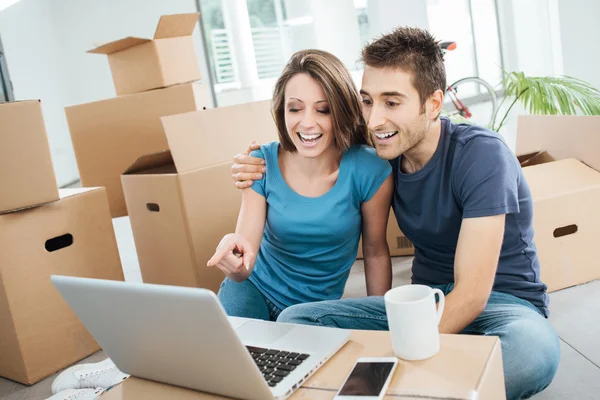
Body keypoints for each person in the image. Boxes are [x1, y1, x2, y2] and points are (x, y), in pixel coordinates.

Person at [230, 28, 560, 399]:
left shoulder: (481, 154)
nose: (373, 121)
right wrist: (255, 163)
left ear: (434, 104)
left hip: (503, 306)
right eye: (368, 102)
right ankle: (432, 385)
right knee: (299, 321)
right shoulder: (384, 157)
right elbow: (317, 142)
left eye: (392, 102)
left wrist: (383, 365)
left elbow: (471, 295)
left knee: (534, 353)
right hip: (424, 303)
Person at [207, 49, 394, 322]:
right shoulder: (261, 162)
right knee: (234, 356)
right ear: (281, 110)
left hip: (312, 312)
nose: (307, 123)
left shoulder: (369, 170)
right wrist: (233, 262)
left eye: (323, 110)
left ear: (341, 111)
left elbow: (375, 252)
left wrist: (382, 319)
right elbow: (244, 265)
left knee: (292, 336)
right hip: (253, 289)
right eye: (295, 108)